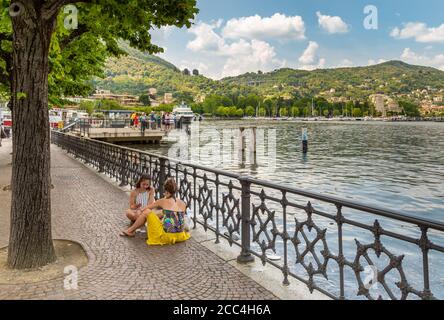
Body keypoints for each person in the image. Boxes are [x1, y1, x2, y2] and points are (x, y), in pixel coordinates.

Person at [120, 178, 191, 245]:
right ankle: (133, 229)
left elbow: (145, 208)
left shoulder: (163, 201)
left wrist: (138, 211)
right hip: (180, 235)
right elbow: (179, 219)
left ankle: (130, 231)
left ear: (166, 191)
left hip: (167, 236)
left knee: (146, 212)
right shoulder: (183, 203)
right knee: (166, 213)